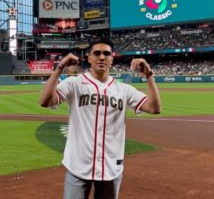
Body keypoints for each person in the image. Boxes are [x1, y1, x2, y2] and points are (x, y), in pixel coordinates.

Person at [39, 39, 161, 199]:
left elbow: (154, 108)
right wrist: (60, 68)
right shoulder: (74, 83)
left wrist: (149, 75)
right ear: (89, 57)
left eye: (106, 54)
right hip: (78, 165)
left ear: (112, 58)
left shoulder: (124, 90)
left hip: (110, 167)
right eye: (97, 53)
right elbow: (45, 101)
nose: (102, 57)